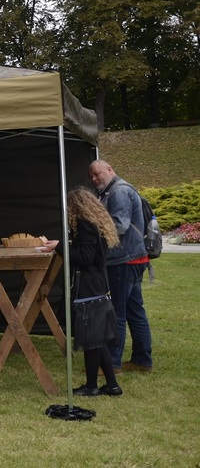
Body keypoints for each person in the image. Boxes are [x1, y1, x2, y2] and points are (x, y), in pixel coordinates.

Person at [89, 160, 153, 373]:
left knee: (116, 312)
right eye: (92, 176)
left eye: (98, 174)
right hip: (134, 259)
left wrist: (91, 234)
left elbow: (119, 225)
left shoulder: (118, 192)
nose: (95, 179)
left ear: (110, 170)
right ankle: (142, 361)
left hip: (123, 261)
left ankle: (112, 363)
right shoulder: (118, 190)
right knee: (135, 311)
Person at [61, 188, 123, 396]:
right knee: (98, 339)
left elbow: (86, 258)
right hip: (96, 287)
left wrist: (61, 247)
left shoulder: (85, 226)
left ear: (75, 207)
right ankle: (112, 386)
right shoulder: (94, 224)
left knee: (91, 339)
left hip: (90, 289)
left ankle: (91, 386)